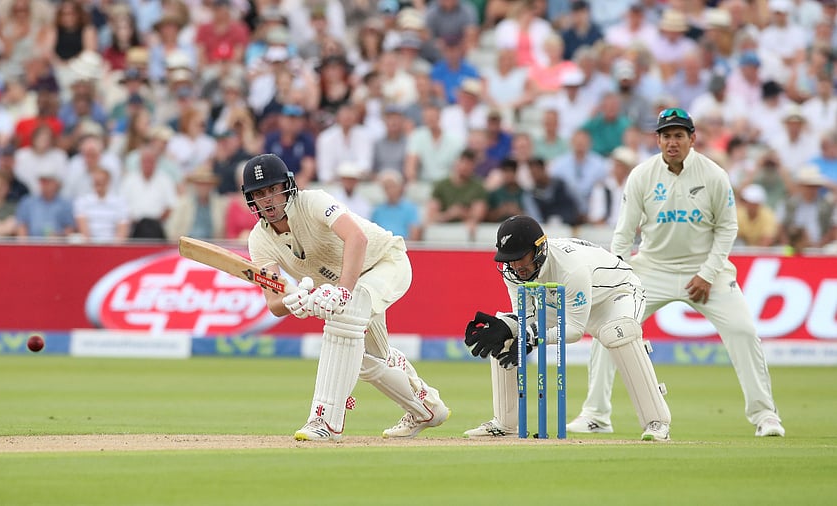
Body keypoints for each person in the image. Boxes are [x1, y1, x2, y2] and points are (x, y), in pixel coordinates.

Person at [568, 108, 785, 438]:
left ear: (692, 139)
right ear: (657, 140)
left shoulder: (713, 174)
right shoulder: (642, 175)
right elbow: (624, 232)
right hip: (651, 268)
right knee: (607, 329)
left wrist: (708, 273)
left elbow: (728, 229)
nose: (672, 142)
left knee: (743, 331)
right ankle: (596, 414)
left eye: (679, 135)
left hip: (706, 271)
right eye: (666, 136)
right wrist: (616, 274)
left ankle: (765, 415)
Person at [242, 153, 449, 441]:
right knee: (368, 359)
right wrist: (295, 301)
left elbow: (357, 238)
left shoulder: (313, 201)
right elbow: (274, 302)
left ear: (286, 187)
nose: (267, 200)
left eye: (272, 190)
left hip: (386, 262)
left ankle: (324, 419)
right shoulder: (258, 239)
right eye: (259, 194)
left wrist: (342, 291)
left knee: (345, 315)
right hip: (352, 286)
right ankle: (426, 408)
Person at [462, 215, 671, 441]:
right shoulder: (513, 272)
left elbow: (574, 330)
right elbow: (528, 318)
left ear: (539, 249)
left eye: (520, 258)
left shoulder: (571, 268)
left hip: (615, 296)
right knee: (505, 333)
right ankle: (505, 424)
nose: (515, 267)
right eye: (509, 260)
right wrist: (511, 328)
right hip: (561, 303)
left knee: (617, 333)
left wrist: (533, 337)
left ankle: (657, 421)